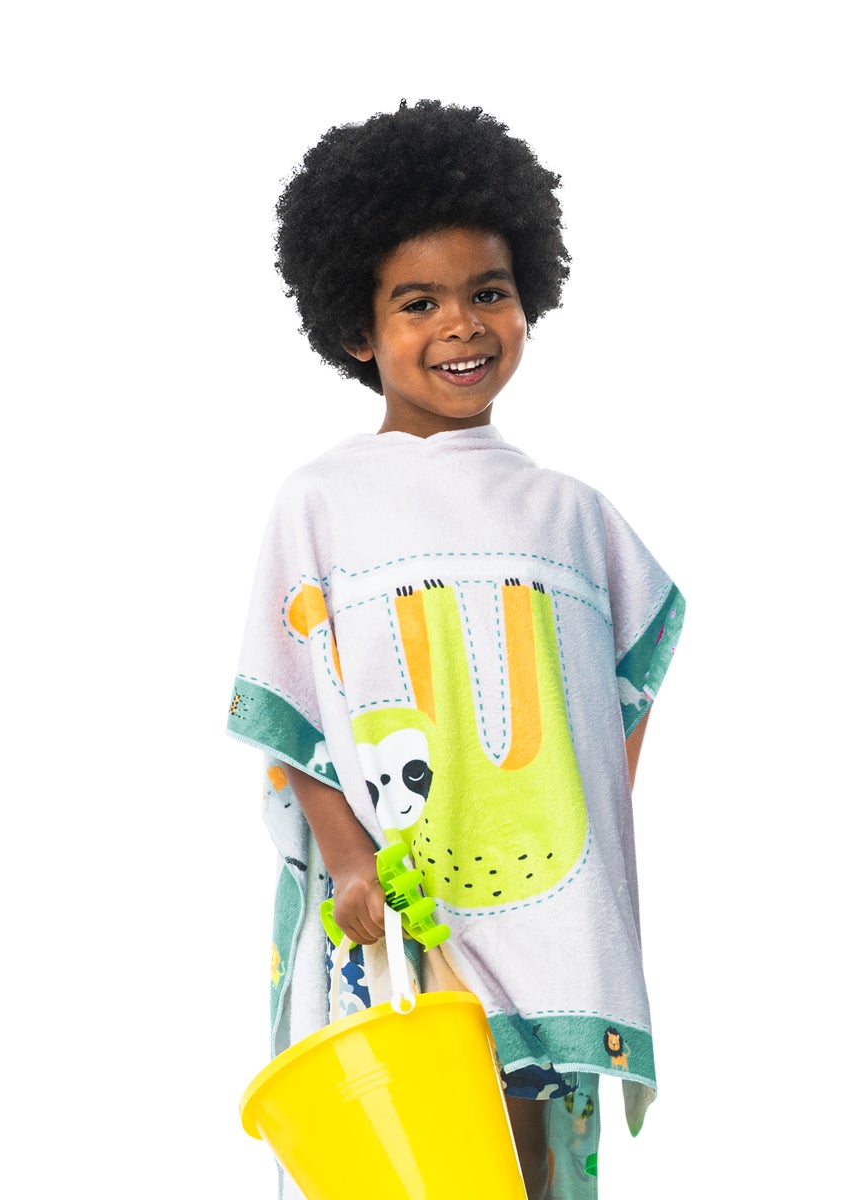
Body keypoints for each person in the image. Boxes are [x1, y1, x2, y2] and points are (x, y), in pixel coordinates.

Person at [226, 100, 685, 1200]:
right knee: (413, 1152)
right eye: (418, 302)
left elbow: (622, 690)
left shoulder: (572, 516)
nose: (463, 327)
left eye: (489, 292)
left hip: (544, 922)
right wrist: (348, 859)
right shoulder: (323, 505)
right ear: (357, 327)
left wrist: (584, 843)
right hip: (400, 913)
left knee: (524, 1155)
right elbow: (295, 711)